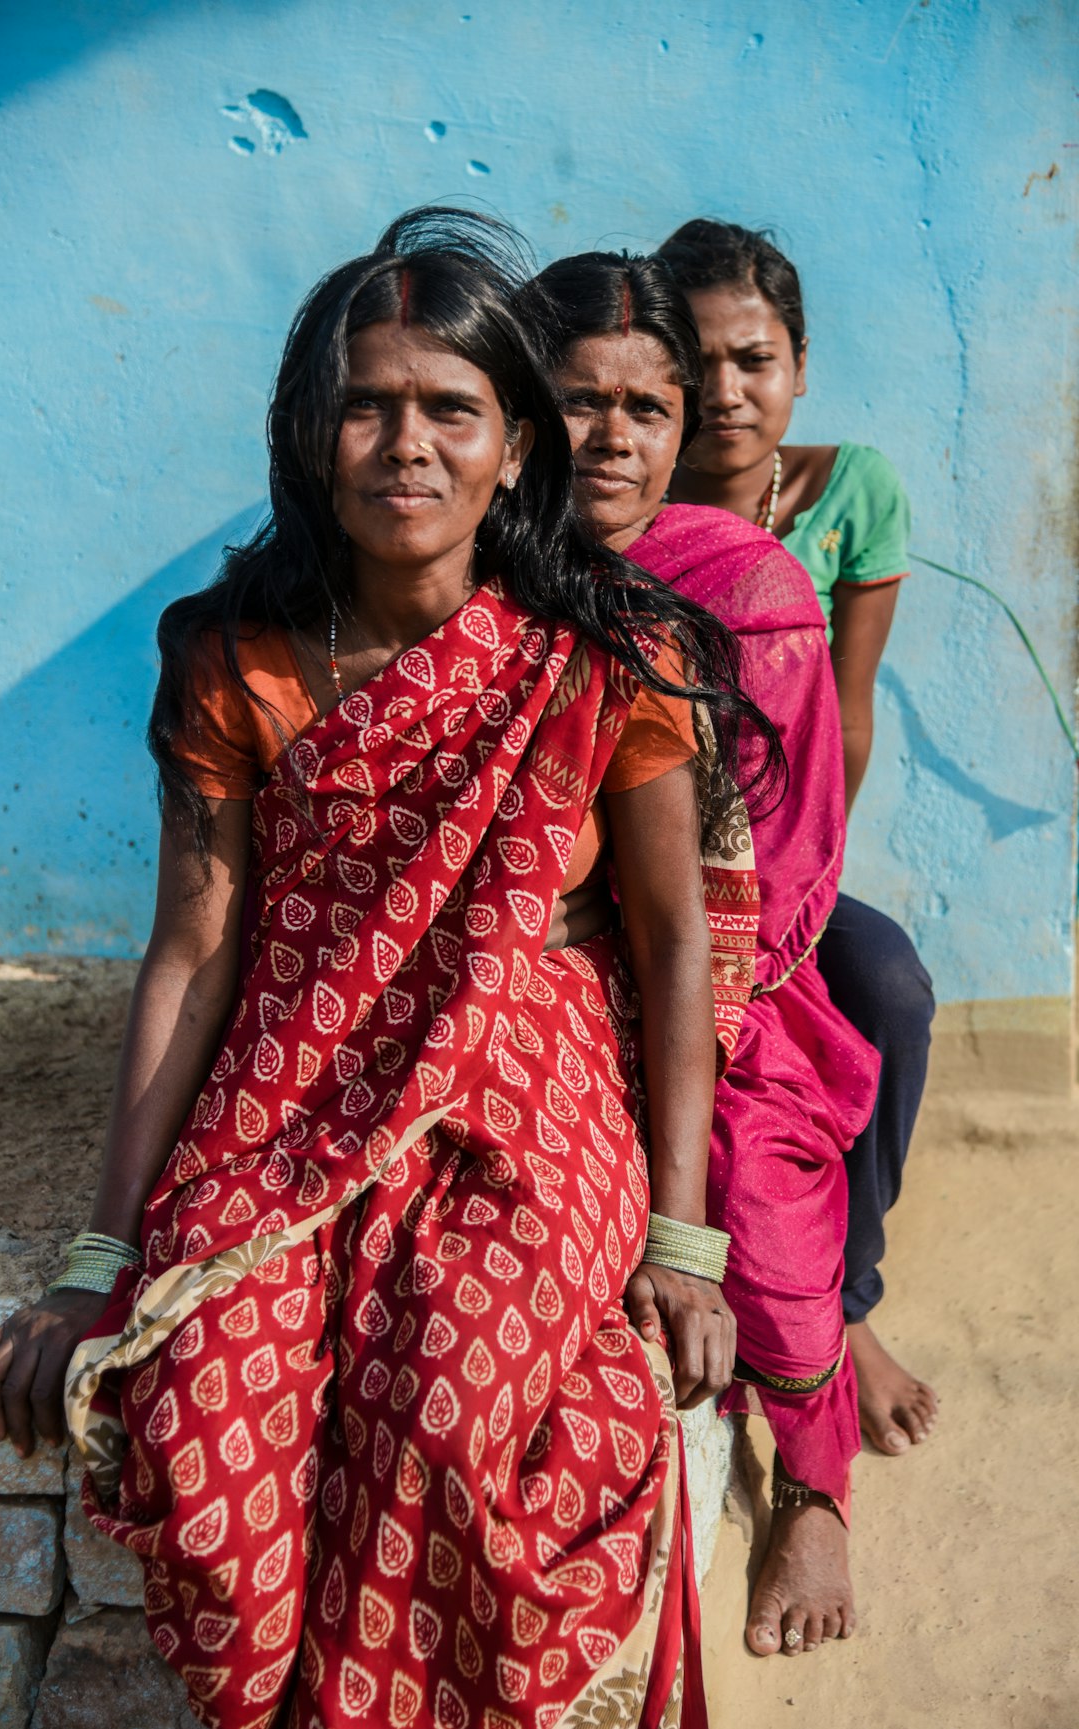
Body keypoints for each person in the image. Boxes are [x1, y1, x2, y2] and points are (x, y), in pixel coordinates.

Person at [0, 208, 780, 1729]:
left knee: (448, 1404)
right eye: (368, 403)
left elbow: (677, 940)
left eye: (450, 409)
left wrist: (682, 1244)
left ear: (512, 449)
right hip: (294, 1070)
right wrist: (102, 1256)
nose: (404, 446)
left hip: (524, 1068)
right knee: (202, 1408)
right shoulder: (238, 657)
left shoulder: (601, 654)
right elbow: (195, 949)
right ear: (310, 434)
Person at [529, 247, 881, 1659]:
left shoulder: (743, 589)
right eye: (572, 402)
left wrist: (680, 1012)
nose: (609, 437)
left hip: (739, 984)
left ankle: (816, 1479)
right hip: (547, 973)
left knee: (751, 1180)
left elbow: (788, 861)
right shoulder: (500, 565)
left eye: (644, 408)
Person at [657, 219, 938, 1460]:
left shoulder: (853, 494)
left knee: (889, 990)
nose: (727, 391)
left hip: (792, 867)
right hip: (657, 862)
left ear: (802, 363)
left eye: (754, 358)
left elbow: (851, 716)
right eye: (697, 362)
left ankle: (849, 1295)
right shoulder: (627, 494)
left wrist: (798, 903)